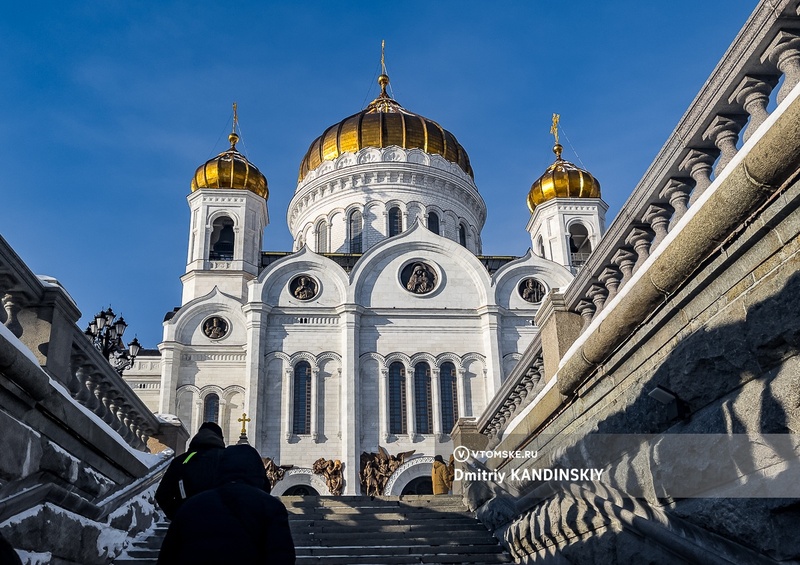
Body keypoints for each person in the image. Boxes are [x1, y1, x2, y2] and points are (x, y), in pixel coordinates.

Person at [157, 444, 296, 564]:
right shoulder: (270, 507)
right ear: (257, 471)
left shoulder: (191, 507)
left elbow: (168, 557)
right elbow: (282, 556)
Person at [155, 421, 226, 520]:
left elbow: (162, 495)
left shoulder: (182, 461)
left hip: (188, 523)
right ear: (220, 438)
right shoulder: (228, 459)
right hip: (222, 524)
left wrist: (179, 515)